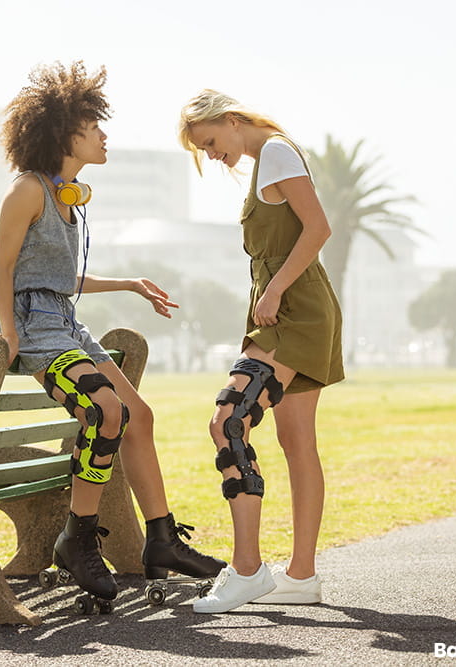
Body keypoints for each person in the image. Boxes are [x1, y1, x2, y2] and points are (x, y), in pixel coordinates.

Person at [0, 62, 225, 602]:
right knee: (106, 410)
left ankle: (161, 538)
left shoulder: (65, 196)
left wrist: (130, 284)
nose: (104, 135)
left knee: (139, 415)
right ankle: (78, 540)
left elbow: (57, 280)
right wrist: (9, 335)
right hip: (34, 329)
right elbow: (4, 271)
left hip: (63, 323)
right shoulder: (26, 192)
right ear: (66, 134)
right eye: (94, 127)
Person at [176, 90, 345, 613]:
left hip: (294, 311)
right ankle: (301, 576)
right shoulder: (266, 160)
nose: (211, 155)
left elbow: (318, 227)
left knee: (229, 419)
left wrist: (273, 293)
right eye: (202, 151)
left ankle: (247, 570)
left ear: (229, 121)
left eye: (209, 142)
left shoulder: (273, 151)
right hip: (283, 311)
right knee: (296, 443)